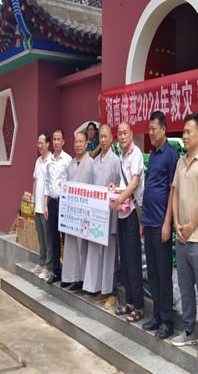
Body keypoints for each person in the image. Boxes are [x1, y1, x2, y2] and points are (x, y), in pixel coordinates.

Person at [170, 113, 198, 360]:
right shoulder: (180, 162)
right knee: (186, 290)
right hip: (182, 237)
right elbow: (175, 194)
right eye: (183, 132)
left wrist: (189, 227)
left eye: (188, 132)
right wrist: (178, 224)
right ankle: (188, 331)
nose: (184, 136)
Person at [140, 111, 180, 339]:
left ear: (164, 129)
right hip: (149, 222)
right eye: (149, 129)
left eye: (154, 129)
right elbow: (149, 189)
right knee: (153, 273)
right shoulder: (153, 154)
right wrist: (143, 220)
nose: (150, 133)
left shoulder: (171, 154)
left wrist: (167, 223)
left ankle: (167, 322)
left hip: (161, 225)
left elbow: (173, 191)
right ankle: (156, 316)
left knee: (164, 275)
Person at [109, 122, 145, 323]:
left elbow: (135, 183)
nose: (122, 137)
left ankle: (139, 307)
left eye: (125, 133)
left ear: (131, 134)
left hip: (131, 214)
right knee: (125, 261)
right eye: (119, 134)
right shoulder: (122, 156)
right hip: (121, 213)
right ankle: (130, 302)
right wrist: (116, 187)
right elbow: (125, 183)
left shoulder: (136, 154)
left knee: (133, 261)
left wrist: (120, 198)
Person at [82, 125, 121, 309]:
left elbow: (120, 188)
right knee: (97, 253)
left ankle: (112, 291)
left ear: (111, 138)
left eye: (106, 137)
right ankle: (100, 288)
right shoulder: (95, 161)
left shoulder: (115, 161)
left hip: (110, 215)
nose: (103, 140)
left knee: (110, 255)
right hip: (96, 216)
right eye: (101, 137)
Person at [61, 132, 94, 291]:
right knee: (72, 246)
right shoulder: (71, 164)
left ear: (86, 144)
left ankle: (83, 280)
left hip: (85, 213)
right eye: (76, 142)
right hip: (72, 213)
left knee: (83, 247)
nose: (78, 145)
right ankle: (72, 278)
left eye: (81, 142)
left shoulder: (91, 163)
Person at [44, 129, 71, 284]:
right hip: (52, 203)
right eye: (54, 139)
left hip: (64, 203)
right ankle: (56, 271)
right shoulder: (49, 161)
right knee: (54, 238)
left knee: (65, 239)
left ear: (63, 142)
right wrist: (46, 205)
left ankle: (67, 274)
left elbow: (71, 181)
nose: (55, 142)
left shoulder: (68, 160)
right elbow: (47, 184)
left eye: (58, 139)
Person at [30, 131, 52, 281]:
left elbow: (50, 186)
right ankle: (41, 261)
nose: (39, 146)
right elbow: (35, 181)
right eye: (38, 143)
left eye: (41, 143)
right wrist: (32, 201)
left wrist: (46, 205)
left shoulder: (51, 161)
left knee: (48, 238)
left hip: (46, 207)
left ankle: (48, 267)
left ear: (48, 144)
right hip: (37, 206)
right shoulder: (38, 161)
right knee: (41, 237)